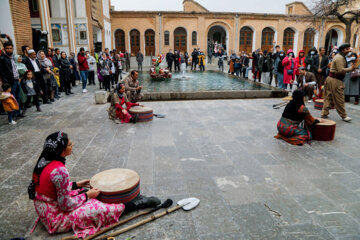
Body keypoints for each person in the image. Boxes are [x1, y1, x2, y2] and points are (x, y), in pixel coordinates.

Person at [27, 131, 160, 238]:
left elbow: (51, 187)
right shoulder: (60, 170)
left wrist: (75, 185)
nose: (72, 146)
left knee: (83, 194)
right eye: (69, 144)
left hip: (46, 207)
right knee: (97, 209)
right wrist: (87, 196)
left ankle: (101, 199)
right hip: (55, 219)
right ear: (61, 150)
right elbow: (65, 205)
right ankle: (133, 205)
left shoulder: (44, 161)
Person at [321, 43, 356, 122]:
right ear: (343, 50)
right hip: (335, 80)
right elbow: (340, 70)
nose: (349, 50)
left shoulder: (340, 56)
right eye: (347, 49)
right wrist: (351, 68)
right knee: (339, 98)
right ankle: (344, 116)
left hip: (331, 79)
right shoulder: (339, 58)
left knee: (328, 97)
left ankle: (324, 113)